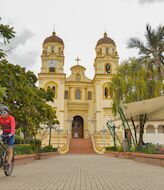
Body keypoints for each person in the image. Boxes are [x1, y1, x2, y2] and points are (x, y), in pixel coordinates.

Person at [0, 106, 15, 170]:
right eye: (1, 112)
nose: (3, 113)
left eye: (4, 112)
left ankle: (8, 164)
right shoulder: (0, 118)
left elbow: (13, 126)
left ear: (8, 113)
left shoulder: (11, 118)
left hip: (11, 135)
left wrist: (11, 133)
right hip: (4, 134)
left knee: (9, 150)